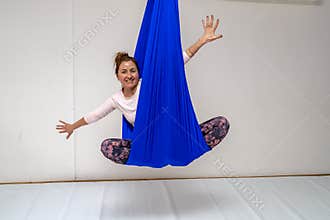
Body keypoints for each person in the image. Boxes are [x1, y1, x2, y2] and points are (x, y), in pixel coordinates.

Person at [56, 15, 230, 164]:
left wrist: (202, 40)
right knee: (107, 146)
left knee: (221, 124)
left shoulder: (148, 85)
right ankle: (141, 155)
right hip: (146, 146)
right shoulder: (116, 99)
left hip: (174, 136)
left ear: (139, 73)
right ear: (117, 76)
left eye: (133, 70)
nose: (129, 75)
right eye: (124, 72)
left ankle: (189, 146)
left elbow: (177, 63)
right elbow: (95, 115)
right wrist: (73, 126)